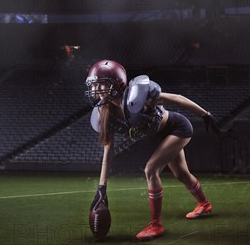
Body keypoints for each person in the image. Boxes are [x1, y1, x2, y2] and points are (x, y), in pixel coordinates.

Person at [85, 59, 221, 240]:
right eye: (94, 86)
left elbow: (177, 98)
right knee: (182, 174)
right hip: (163, 135)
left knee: (151, 169)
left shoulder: (137, 96)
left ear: (117, 83)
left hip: (178, 127)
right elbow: (107, 151)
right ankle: (204, 204)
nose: (96, 90)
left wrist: (205, 114)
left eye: (101, 84)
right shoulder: (105, 113)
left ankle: (155, 225)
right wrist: (101, 188)